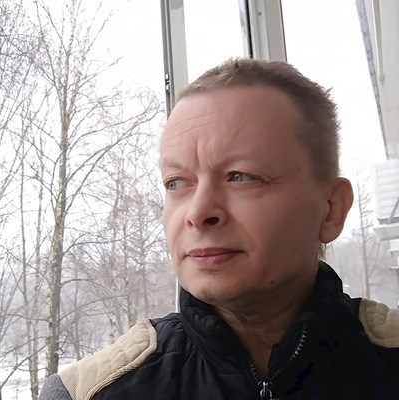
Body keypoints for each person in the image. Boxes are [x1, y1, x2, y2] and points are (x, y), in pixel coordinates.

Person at [39, 58, 399, 400]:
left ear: (331, 209)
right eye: (177, 183)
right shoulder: (88, 392)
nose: (197, 213)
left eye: (241, 176)